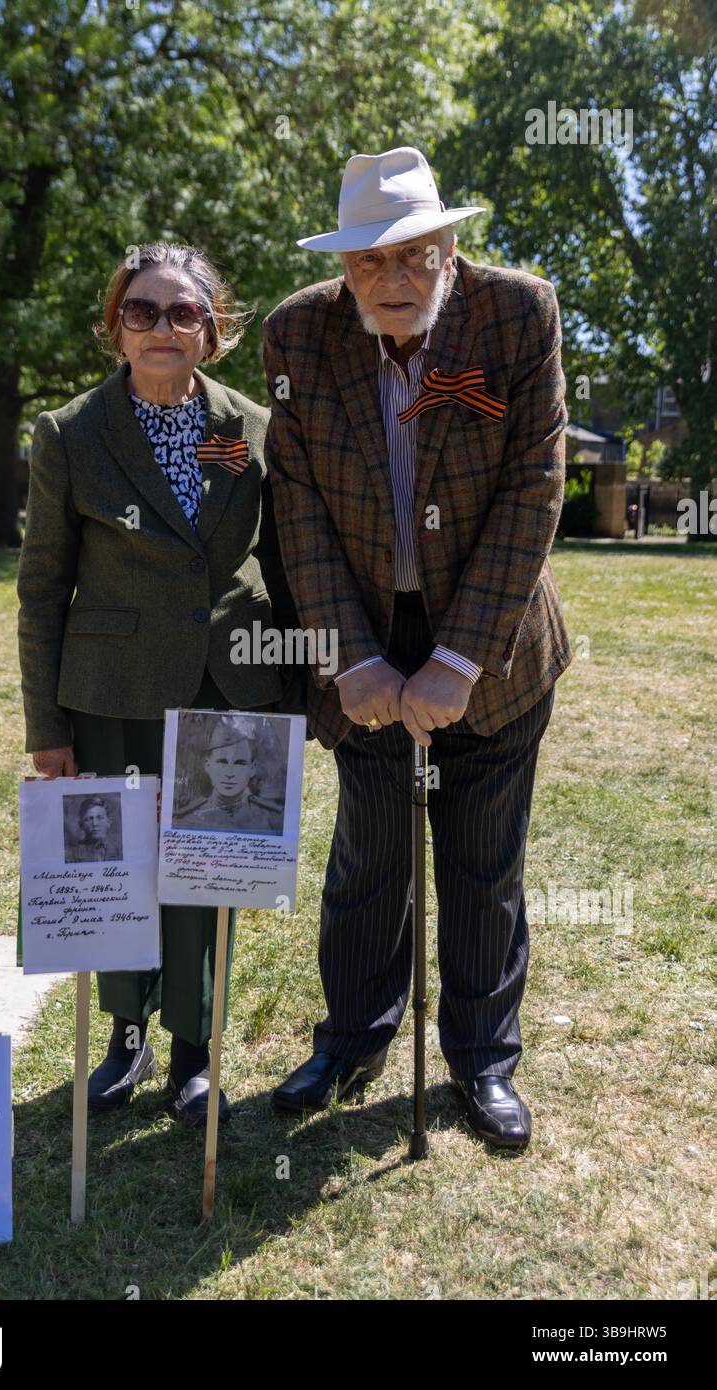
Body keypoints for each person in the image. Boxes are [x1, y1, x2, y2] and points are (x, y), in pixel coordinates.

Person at [263, 147, 572, 1149]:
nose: (392, 282)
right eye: (368, 263)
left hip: (491, 636)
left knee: (483, 863)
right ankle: (351, 1038)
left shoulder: (518, 314)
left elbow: (533, 485)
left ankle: (481, 1061)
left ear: (449, 248)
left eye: (414, 256)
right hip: (362, 621)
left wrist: (458, 658)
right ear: (343, 266)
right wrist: (351, 660)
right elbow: (296, 504)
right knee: (368, 856)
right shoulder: (294, 335)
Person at [17, 241, 299, 1125]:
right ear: (116, 328)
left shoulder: (254, 427)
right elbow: (41, 587)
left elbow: (287, 565)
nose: (163, 327)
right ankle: (126, 1039)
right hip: (111, 689)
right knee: (122, 870)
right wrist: (46, 728)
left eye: (184, 313)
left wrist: (294, 687)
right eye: (142, 311)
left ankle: (195, 1052)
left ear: (212, 332)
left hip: (231, 685)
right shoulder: (71, 433)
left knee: (209, 874)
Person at [173, 714, 284, 834]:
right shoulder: (186, 817)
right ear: (207, 765)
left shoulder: (272, 817)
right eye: (221, 762)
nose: (229, 773)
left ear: (252, 768)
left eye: (240, 763)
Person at [65, 795, 121, 863]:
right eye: (89, 819)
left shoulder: (121, 850)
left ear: (109, 822)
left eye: (100, 818)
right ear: (81, 825)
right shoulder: (72, 854)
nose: (95, 824)